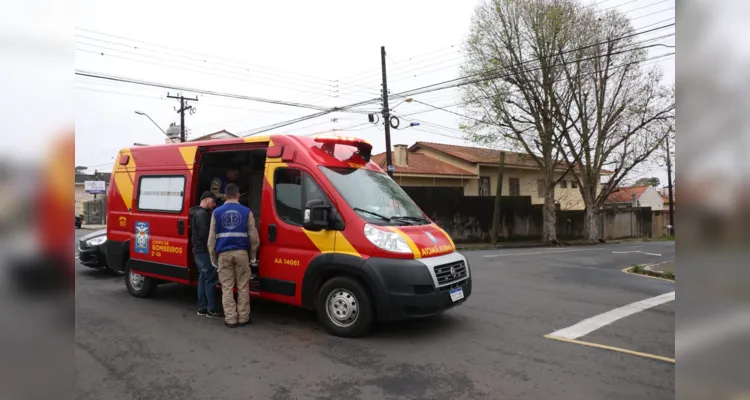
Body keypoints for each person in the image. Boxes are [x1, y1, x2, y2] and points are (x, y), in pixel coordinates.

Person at [208, 183, 260, 328]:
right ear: (238, 195)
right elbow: (254, 237)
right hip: (242, 253)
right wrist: (253, 255)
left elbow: (211, 240)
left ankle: (230, 319)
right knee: (243, 286)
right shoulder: (246, 211)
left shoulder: (217, 212)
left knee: (227, 288)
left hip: (223, 254)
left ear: (225, 196)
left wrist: (213, 258)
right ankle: (243, 317)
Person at [190, 191, 220, 318]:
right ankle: (211, 309)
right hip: (203, 251)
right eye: (213, 202)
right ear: (206, 200)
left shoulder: (197, 213)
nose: (214, 205)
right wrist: (215, 249)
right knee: (210, 278)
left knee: (203, 278)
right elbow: (206, 235)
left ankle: (202, 308)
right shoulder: (202, 215)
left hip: (198, 251)